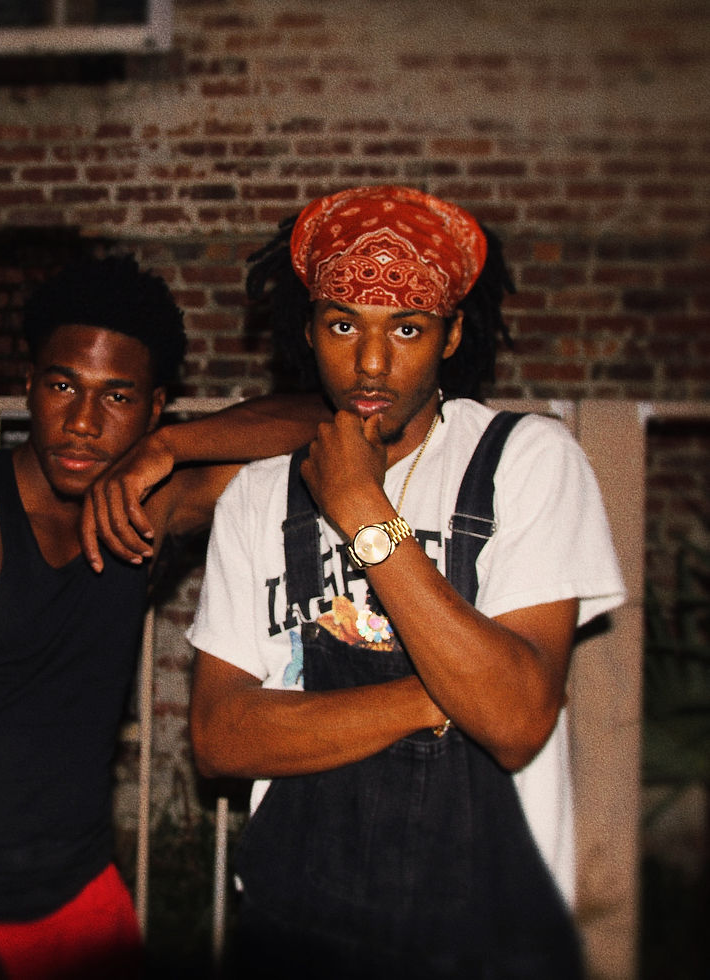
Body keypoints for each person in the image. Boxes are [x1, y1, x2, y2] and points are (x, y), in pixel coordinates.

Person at [179, 186, 627, 978]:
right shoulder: (258, 496)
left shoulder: (527, 463)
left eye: (408, 328)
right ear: (308, 330)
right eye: (344, 325)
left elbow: (518, 719)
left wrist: (362, 509)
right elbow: (221, 737)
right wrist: (440, 694)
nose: (373, 362)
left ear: (452, 334)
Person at [0, 253, 327, 980]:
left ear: (154, 408)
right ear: (30, 387)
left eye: (118, 397)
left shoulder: (152, 506)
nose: (82, 422)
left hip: (80, 899)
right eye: (64, 386)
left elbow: (327, 423)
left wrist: (170, 451)